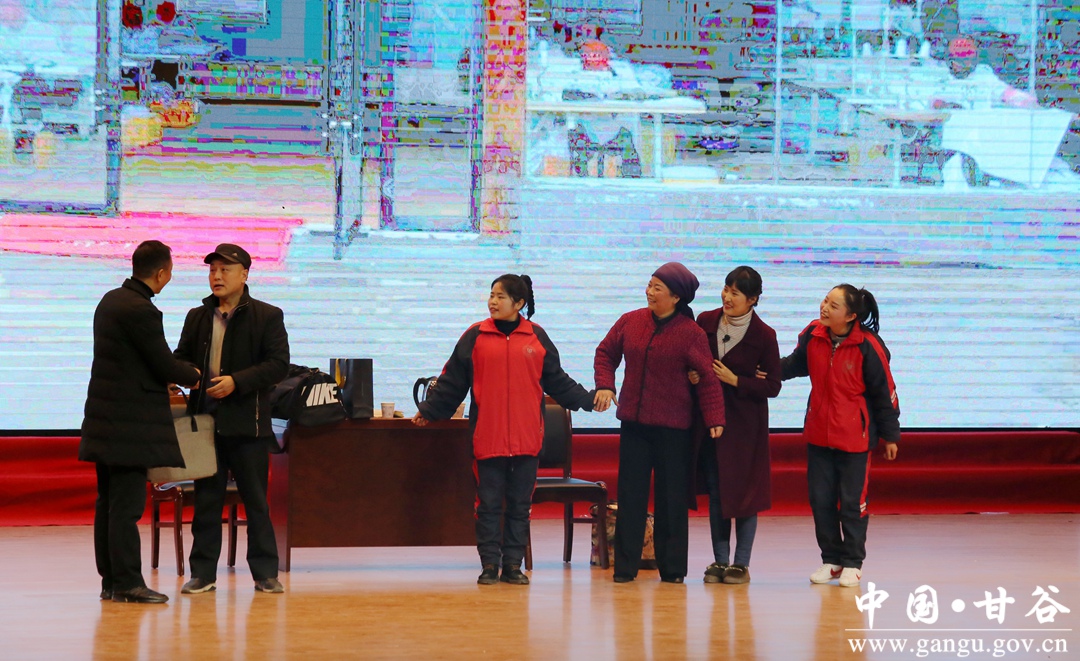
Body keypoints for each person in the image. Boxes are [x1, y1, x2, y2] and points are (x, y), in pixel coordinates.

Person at [412, 274, 596, 586]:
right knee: (488, 505)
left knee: (520, 506)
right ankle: (489, 564)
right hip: (488, 438)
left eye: (500, 296)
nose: (492, 302)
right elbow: (452, 381)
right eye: (491, 295)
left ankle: (513, 565)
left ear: (519, 303)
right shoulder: (475, 336)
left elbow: (558, 381)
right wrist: (429, 410)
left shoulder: (536, 337)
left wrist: (588, 400)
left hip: (527, 439)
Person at [79, 240, 201, 604]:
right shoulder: (142, 310)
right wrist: (194, 376)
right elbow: (162, 364)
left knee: (108, 503)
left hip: (106, 420)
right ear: (162, 273)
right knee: (126, 508)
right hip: (129, 426)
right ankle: (129, 583)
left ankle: (111, 581)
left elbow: (132, 361)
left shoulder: (111, 300)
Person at [593, 262, 726, 584]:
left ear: (676, 297)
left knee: (672, 500)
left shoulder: (691, 334)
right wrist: (605, 385)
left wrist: (715, 418)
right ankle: (625, 567)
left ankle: (673, 569)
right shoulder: (631, 321)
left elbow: (707, 378)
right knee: (631, 496)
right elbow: (606, 353)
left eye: (657, 288)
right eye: (649, 285)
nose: (649, 292)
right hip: (634, 426)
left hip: (673, 429)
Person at [174, 243, 290, 595]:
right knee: (206, 502)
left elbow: (278, 365)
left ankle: (265, 573)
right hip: (206, 423)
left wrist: (237, 382)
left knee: (255, 502)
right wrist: (189, 374)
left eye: (225, 270)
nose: (217, 276)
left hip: (247, 424)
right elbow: (181, 357)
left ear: (244, 275)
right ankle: (202, 574)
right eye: (212, 270)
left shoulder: (267, 315)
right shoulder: (198, 316)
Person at [778, 284, 900, 587]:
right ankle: (831, 560)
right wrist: (763, 370)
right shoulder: (813, 334)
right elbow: (795, 364)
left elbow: (884, 392)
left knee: (851, 503)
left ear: (850, 316)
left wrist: (891, 435)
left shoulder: (868, 346)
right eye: (825, 301)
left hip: (854, 438)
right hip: (819, 433)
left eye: (833, 305)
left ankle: (853, 563)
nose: (824, 308)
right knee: (820, 500)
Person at [687, 266, 781, 585]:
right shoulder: (705, 321)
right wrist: (692, 374)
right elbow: (691, 360)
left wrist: (735, 380)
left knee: (744, 493)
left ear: (752, 300)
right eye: (726, 289)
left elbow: (773, 386)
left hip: (745, 427)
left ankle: (741, 564)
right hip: (710, 422)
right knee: (717, 491)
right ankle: (720, 560)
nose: (727, 297)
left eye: (736, 293)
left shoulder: (764, 335)